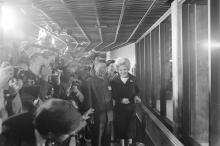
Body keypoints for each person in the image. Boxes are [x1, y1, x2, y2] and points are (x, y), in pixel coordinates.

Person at [0, 98, 86, 146]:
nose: (73, 133)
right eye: (68, 133)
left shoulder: (53, 126)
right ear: (50, 134)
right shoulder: (8, 136)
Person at [111, 57, 141, 146]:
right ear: (117, 70)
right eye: (120, 70)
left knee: (130, 128)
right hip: (119, 109)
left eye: (124, 69)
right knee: (121, 128)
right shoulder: (113, 80)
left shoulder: (134, 79)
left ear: (128, 68)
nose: (123, 71)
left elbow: (138, 91)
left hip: (131, 107)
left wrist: (135, 97)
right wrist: (120, 100)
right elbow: (112, 93)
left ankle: (129, 144)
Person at [86, 62, 113, 146]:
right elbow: (89, 100)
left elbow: (111, 95)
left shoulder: (107, 80)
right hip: (97, 114)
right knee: (97, 137)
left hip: (109, 114)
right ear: (96, 70)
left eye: (104, 68)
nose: (103, 70)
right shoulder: (90, 81)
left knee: (107, 137)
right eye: (101, 69)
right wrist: (91, 116)